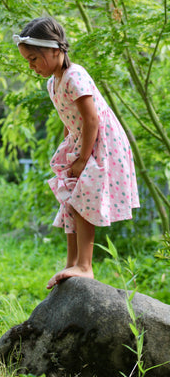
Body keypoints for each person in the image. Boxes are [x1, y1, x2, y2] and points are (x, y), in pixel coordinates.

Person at [13, 17, 140, 289]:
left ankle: (85, 265)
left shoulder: (74, 75)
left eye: (34, 58)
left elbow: (91, 118)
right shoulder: (52, 83)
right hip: (80, 141)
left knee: (84, 197)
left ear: (56, 51)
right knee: (69, 198)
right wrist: (69, 149)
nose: (31, 65)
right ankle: (72, 261)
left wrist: (83, 158)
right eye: (28, 61)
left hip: (101, 142)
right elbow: (68, 119)